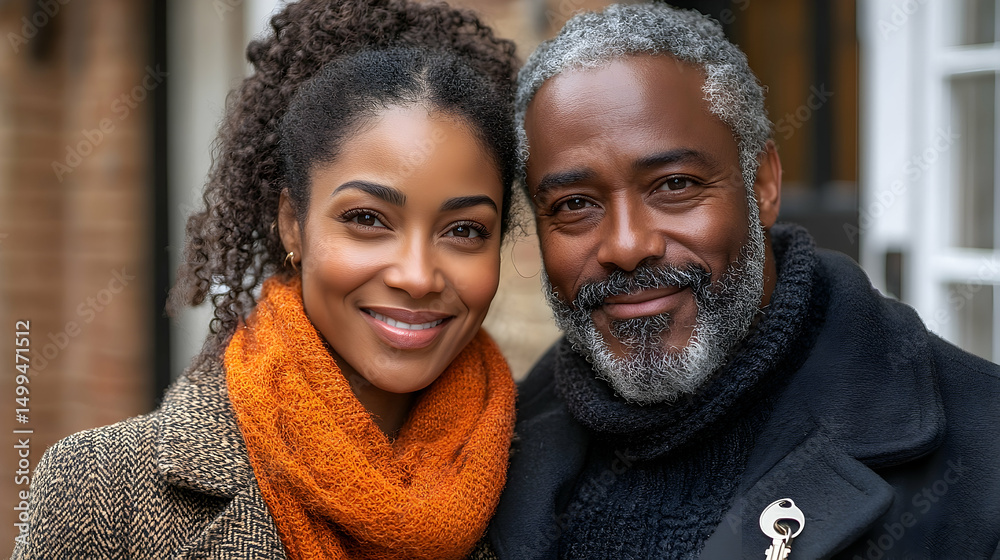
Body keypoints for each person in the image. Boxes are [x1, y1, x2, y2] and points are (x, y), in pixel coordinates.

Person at [488, 3, 1000, 559]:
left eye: (675, 185)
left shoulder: (983, 454)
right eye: (575, 204)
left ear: (763, 186)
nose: (627, 246)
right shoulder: (492, 450)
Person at [12, 1, 521, 559]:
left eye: (465, 230)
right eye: (367, 219)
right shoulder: (102, 490)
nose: (418, 276)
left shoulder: (545, 476)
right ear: (293, 225)